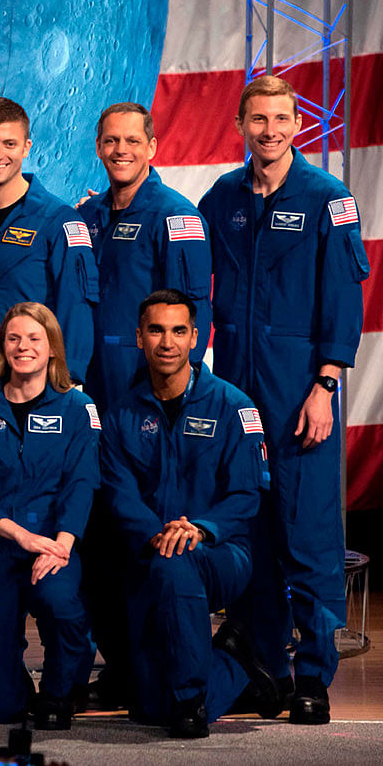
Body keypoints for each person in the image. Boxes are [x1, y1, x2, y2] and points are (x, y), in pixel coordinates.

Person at [200, 74, 369, 723]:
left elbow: (343, 305)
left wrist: (325, 386)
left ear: (297, 124)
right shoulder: (223, 199)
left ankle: (311, 676)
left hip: (300, 391)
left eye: (279, 119)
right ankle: (258, 666)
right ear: (241, 125)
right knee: (250, 533)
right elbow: (178, 263)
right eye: (257, 120)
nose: (268, 131)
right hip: (237, 393)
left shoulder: (329, 199)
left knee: (307, 536)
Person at [75, 102, 213, 709]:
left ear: (153, 146)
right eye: (110, 141)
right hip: (94, 396)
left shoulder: (177, 217)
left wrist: (166, 395)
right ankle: (122, 661)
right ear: (99, 148)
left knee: (150, 531)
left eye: (133, 140)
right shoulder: (87, 216)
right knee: (102, 534)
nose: (121, 150)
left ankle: (162, 666)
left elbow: (191, 317)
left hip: (148, 402)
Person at [102, 290, 278, 738]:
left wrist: (200, 528)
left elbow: (246, 495)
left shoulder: (235, 406)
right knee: (147, 706)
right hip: (150, 549)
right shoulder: (121, 414)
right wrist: (157, 533)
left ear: (196, 337)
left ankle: (191, 702)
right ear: (139, 337)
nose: (167, 342)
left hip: (222, 554)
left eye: (179, 331)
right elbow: (119, 495)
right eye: (156, 330)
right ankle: (233, 668)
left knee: (176, 562)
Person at [0, 302, 99, 729]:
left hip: (54, 542)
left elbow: (82, 481)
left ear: (52, 347)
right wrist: (18, 535)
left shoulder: (76, 407)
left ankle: (58, 691)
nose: (23, 347)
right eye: (14, 338)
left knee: (63, 606)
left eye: (35, 338)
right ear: (2, 348)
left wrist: (62, 545)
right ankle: (8, 684)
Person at [0, 97, 97, 417]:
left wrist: (62, 395)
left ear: (26, 147)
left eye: (9, 143)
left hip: (38, 393)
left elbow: (76, 313)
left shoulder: (59, 222)